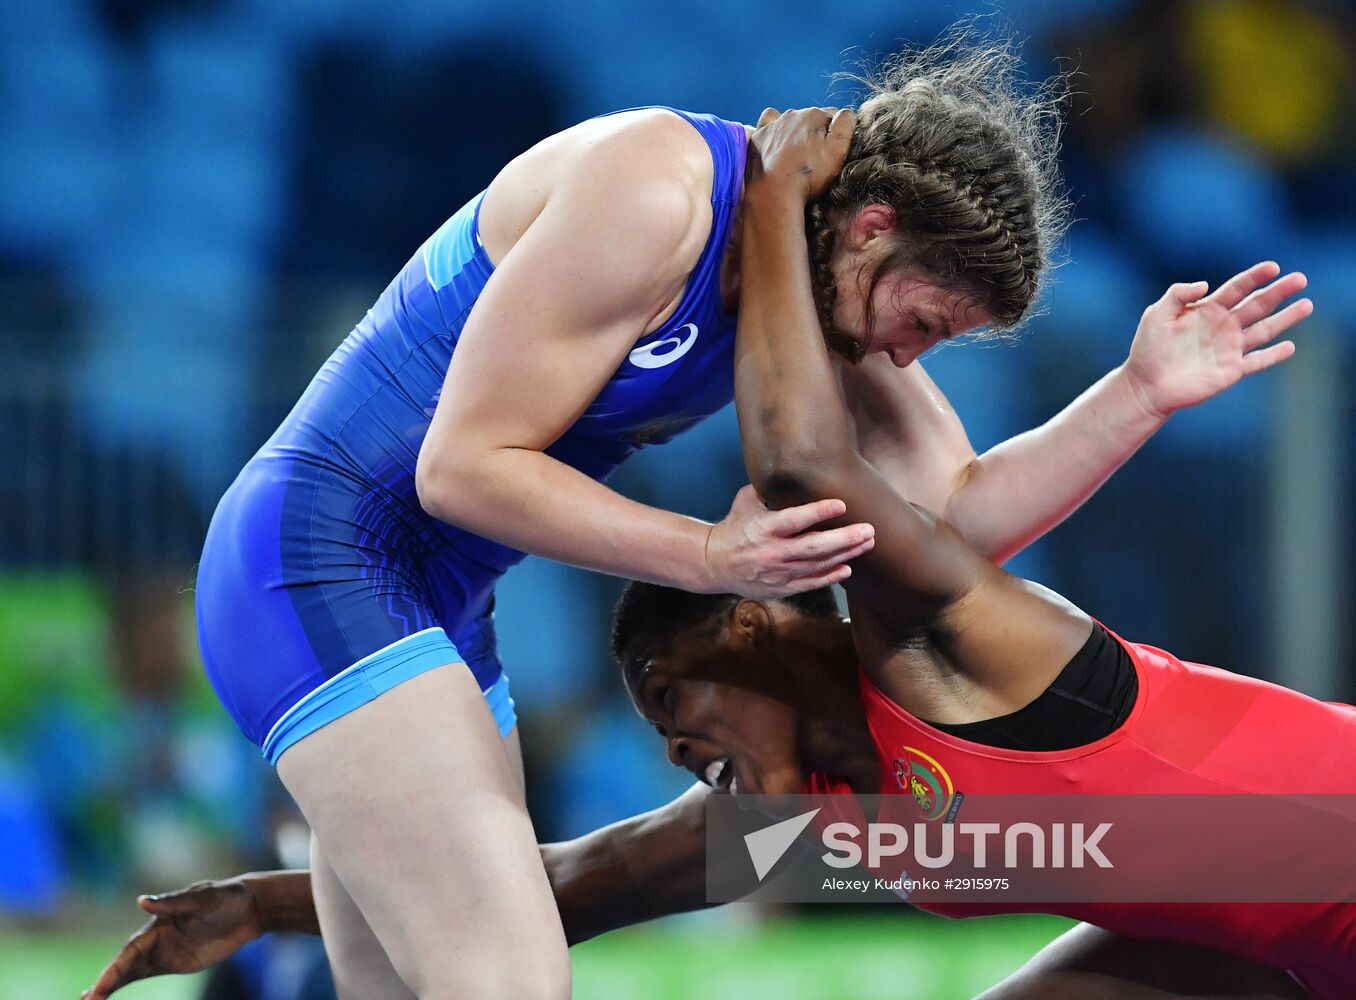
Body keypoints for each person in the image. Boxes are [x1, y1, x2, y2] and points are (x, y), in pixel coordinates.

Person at [189, 28, 1311, 996]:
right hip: (321, 559)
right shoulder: (658, 189)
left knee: (425, 978)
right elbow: (461, 469)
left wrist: (1139, 393)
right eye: (920, 321)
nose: (902, 354)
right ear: (870, 226)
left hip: (431, 602)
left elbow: (953, 515)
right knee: (508, 979)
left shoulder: (818, 290)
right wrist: (712, 552)